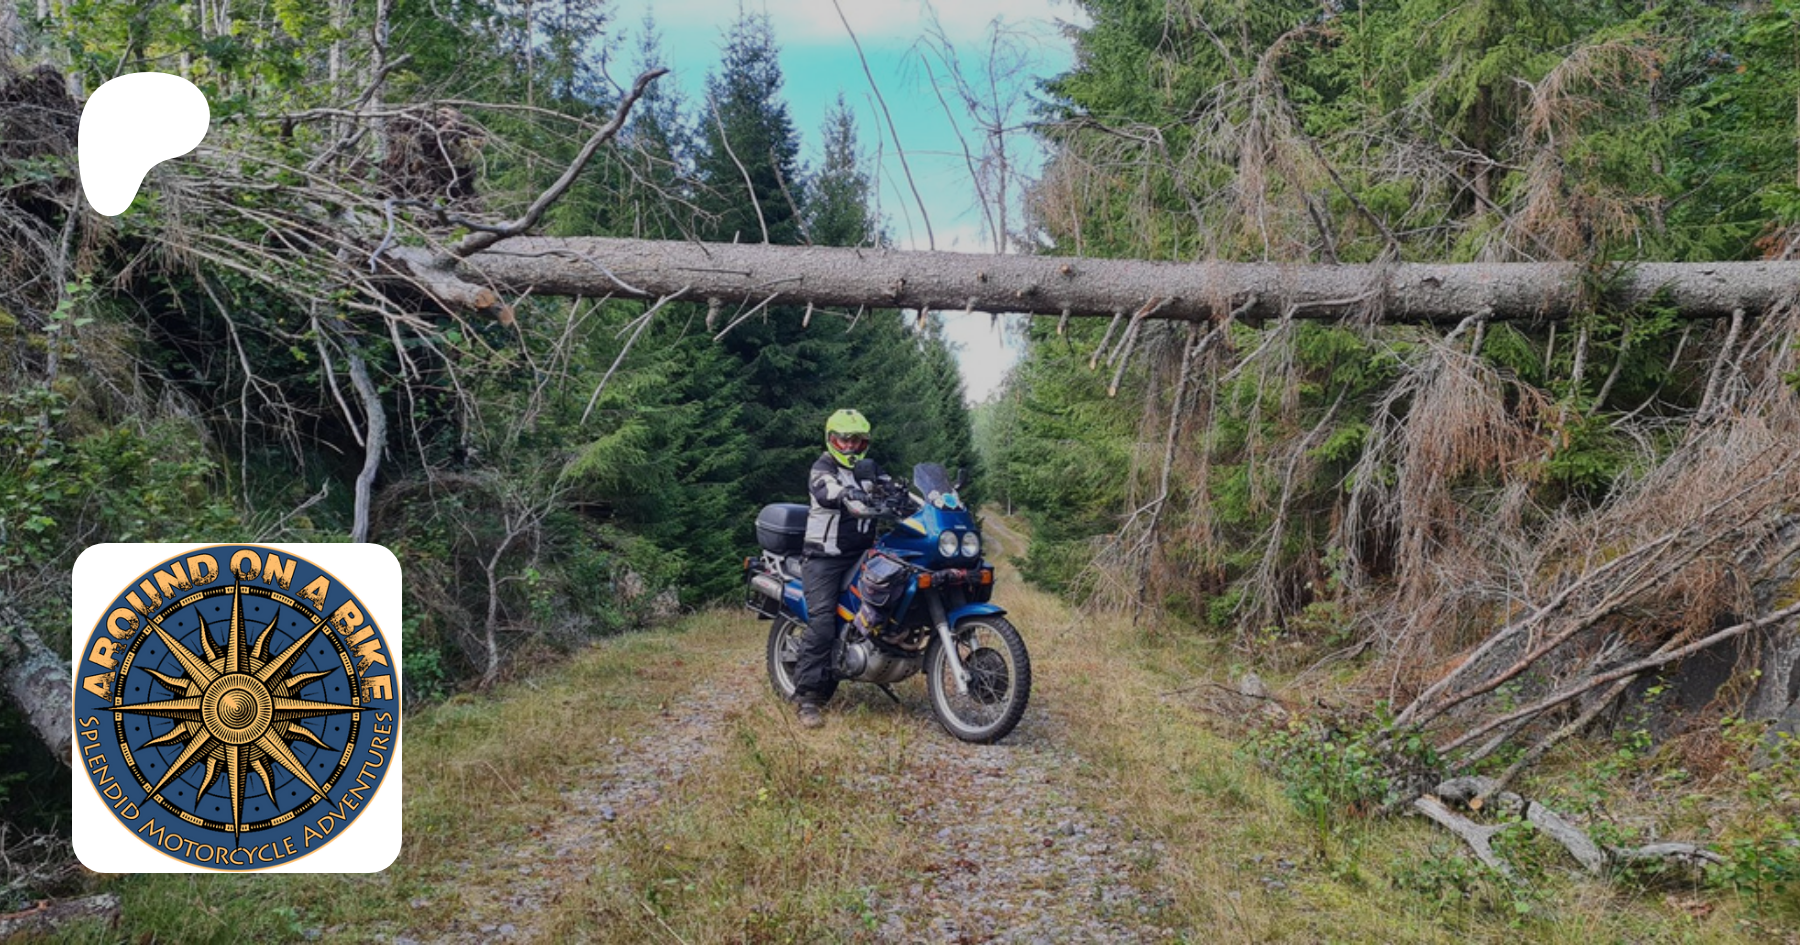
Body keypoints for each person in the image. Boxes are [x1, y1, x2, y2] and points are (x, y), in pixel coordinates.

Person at [794, 408, 884, 729]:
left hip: (864, 555)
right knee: (822, 623)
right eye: (842, 440)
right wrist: (846, 492)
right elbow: (825, 490)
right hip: (824, 558)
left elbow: (892, 487)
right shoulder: (823, 468)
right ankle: (807, 698)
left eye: (856, 441)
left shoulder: (867, 470)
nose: (849, 447)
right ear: (831, 440)